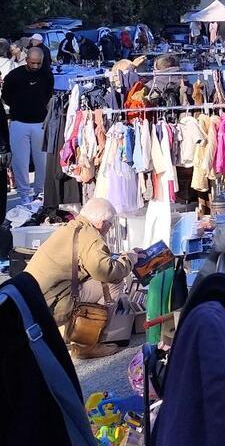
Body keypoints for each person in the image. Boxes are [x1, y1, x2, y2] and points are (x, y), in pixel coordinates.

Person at [25, 197, 139, 359]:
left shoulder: (71, 227)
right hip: (50, 306)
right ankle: (86, 344)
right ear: (101, 223)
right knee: (114, 283)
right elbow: (106, 272)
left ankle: (68, 333)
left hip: (34, 299)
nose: (110, 227)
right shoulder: (91, 236)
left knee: (99, 280)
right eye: (110, 223)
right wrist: (130, 258)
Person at [1, 48, 54, 204]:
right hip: (19, 122)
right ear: (27, 60)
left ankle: (40, 192)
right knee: (20, 161)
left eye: (39, 63)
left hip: (40, 122)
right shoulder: (14, 76)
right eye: (33, 63)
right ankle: (24, 194)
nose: (36, 66)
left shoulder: (46, 75)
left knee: (42, 160)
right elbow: (6, 97)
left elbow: (49, 96)